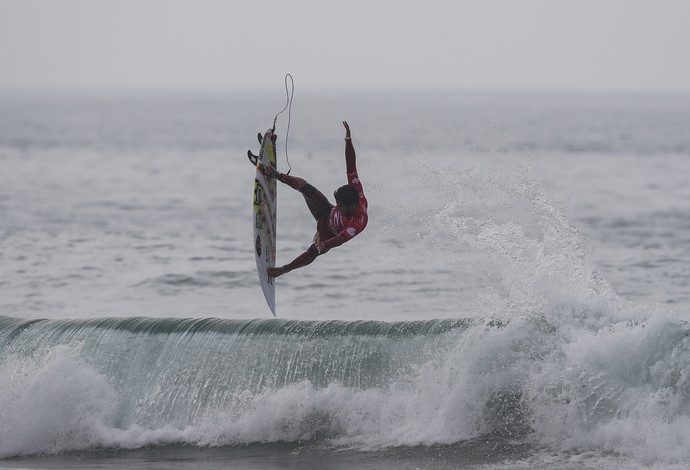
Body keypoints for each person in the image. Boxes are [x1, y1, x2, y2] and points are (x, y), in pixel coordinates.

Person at [261, 121, 368, 278]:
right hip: (324, 211)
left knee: (314, 251)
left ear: (352, 206)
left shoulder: (358, 223)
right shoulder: (356, 191)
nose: (337, 208)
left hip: (328, 235)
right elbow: (351, 166)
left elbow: (340, 239)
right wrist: (348, 140)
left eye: (341, 207)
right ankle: (275, 174)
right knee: (306, 187)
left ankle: (283, 269)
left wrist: (322, 244)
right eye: (337, 204)